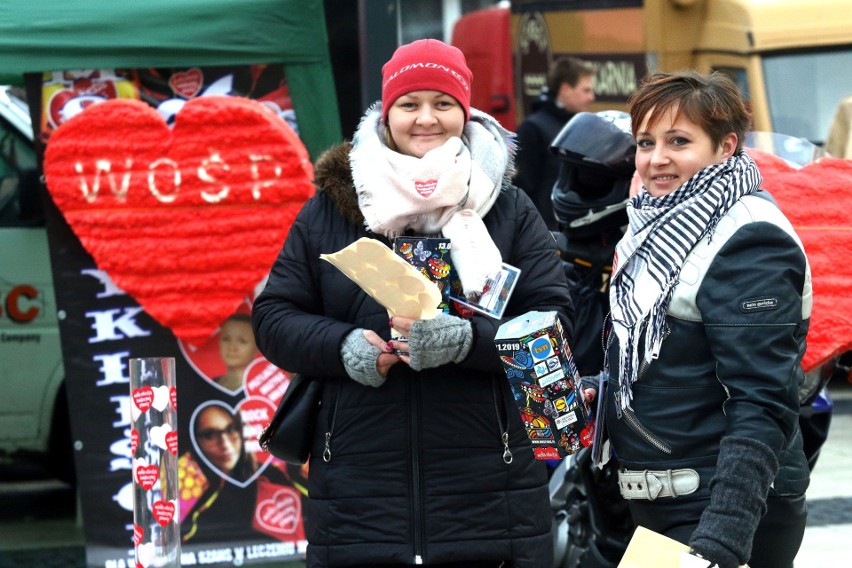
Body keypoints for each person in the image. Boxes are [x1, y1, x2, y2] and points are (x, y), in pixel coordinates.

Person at [252, 38, 574, 567]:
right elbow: (273, 317)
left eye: (443, 104)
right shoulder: (334, 208)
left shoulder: (509, 209)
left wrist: (468, 341)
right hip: (359, 499)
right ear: (386, 113)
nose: (426, 119)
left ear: (464, 112)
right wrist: (343, 346)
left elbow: (557, 323)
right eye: (410, 104)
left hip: (493, 501)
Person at [584, 70, 811, 568]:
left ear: (725, 146)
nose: (656, 158)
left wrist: (721, 542)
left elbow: (763, 400)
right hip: (665, 502)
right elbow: (670, 365)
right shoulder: (656, 227)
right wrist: (605, 394)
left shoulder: (748, 238)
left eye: (679, 141)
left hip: (721, 508)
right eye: (646, 142)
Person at [514, 56, 595, 229]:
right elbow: (521, 192)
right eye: (586, 90)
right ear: (565, 89)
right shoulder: (532, 129)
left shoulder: (577, 127)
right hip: (545, 235)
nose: (591, 97)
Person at [213, 313, 258, 391]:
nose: (232, 348)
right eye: (226, 339)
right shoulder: (211, 385)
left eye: (242, 341)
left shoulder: (264, 385)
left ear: (257, 347)